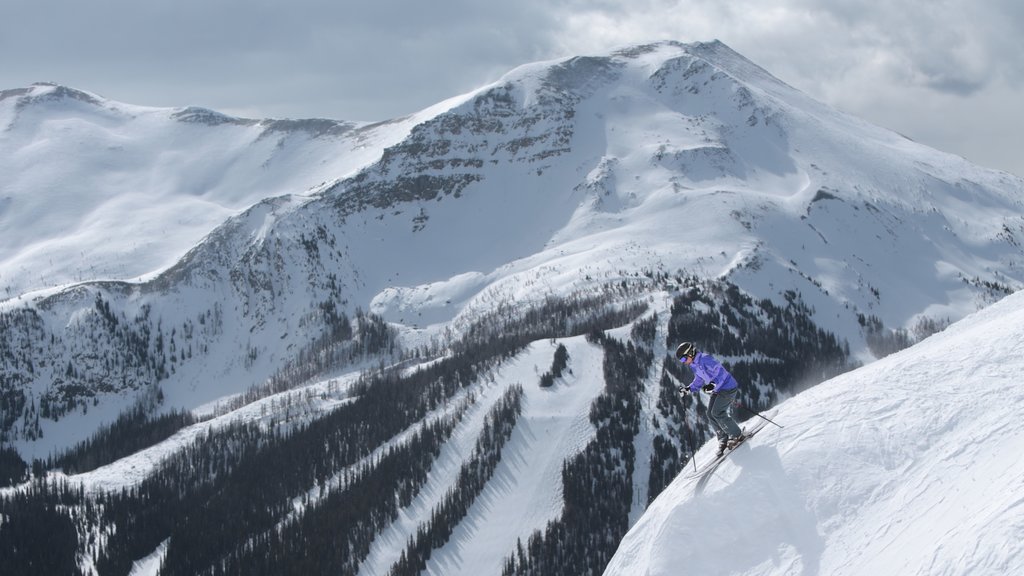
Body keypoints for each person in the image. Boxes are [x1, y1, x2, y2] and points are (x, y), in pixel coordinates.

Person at [675, 341, 743, 457]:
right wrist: (688, 389)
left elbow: (720, 373)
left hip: (728, 387)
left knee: (717, 412)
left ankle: (737, 434)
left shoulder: (705, 359)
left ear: (690, 353)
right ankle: (723, 438)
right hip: (718, 389)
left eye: (683, 359)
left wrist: (712, 384)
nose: (684, 363)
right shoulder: (694, 365)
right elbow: (699, 379)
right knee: (710, 414)